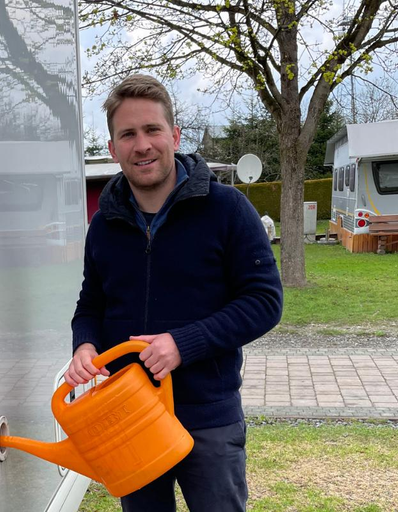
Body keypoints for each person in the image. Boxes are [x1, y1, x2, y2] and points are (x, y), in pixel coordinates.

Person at [65, 75, 283, 512]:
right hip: (129, 417)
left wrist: (183, 344)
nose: (141, 144)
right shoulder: (104, 226)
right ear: (113, 148)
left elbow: (264, 302)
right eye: (128, 134)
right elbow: (91, 303)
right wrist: (84, 343)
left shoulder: (227, 209)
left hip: (208, 415)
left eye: (151, 130)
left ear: (174, 136)